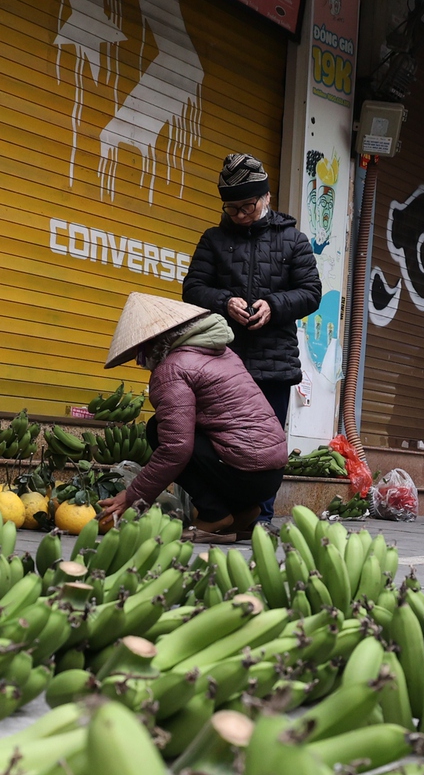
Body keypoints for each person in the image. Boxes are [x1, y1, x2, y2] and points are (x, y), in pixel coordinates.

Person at [182, 153, 321, 521]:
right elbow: (193, 287)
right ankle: (216, 512)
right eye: (232, 208)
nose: (241, 215)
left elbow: (311, 292)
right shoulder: (213, 239)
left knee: (267, 446)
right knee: (210, 439)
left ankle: (260, 516)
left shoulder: (294, 240)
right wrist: (225, 301)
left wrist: (274, 306)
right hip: (219, 360)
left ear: (267, 198)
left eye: (248, 206)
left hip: (273, 363)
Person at [97, 292, 286, 542]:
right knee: (193, 430)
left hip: (245, 473)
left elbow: (176, 450)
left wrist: (131, 496)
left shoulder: (172, 368)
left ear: (154, 343)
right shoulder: (221, 352)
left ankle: (214, 514)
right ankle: (243, 512)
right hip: (271, 475)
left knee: (158, 430)